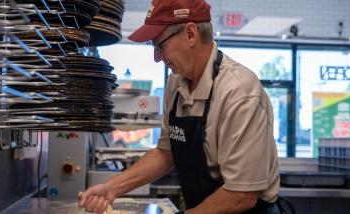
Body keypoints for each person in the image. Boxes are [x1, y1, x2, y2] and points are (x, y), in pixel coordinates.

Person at [79, 0, 282, 213]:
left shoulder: (239, 92)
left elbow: (241, 195)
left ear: (191, 34)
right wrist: (111, 188)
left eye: (160, 45)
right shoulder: (176, 83)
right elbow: (166, 153)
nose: (156, 58)